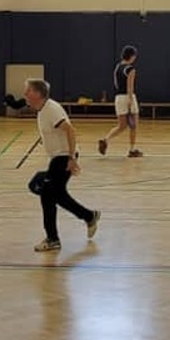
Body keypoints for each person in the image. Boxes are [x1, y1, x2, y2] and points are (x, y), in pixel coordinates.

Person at [23, 78, 100, 252]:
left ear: (37, 93)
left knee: (47, 195)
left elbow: (70, 130)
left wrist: (72, 158)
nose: (25, 94)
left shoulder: (51, 109)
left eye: (28, 91)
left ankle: (53, 239)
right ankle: (89, 216)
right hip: (58, 157)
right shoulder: (42, 110)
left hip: (64, 157)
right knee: (50, 191)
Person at [99, 45, 143, 158]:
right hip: (128, 97)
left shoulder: (117, 67)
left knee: (121, 126)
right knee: (133, 126)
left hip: (118, 98)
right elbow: (130, 86)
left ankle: (106, 140)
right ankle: (132, 150)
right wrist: (130, 101)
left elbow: (116, 84)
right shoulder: (131, 69)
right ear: (132, 56)